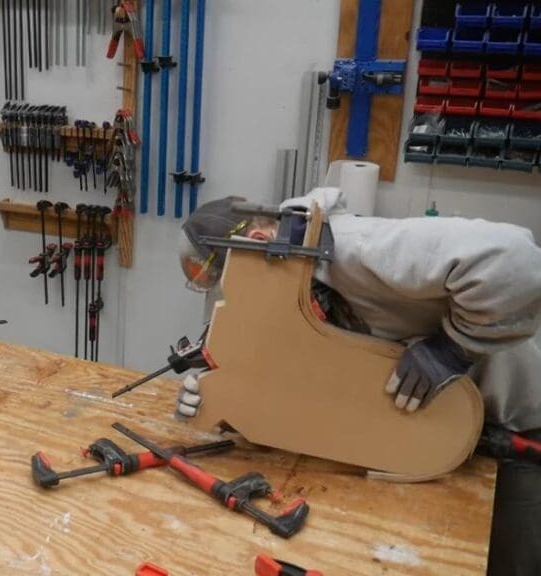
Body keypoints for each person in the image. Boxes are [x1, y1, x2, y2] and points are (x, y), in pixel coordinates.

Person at [176, 189, 541, 576]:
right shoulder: (295, 288)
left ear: (259, 243)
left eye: (223, 282)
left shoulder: (355, 249)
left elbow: (517, 262)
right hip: (443, 442)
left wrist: (453, 349)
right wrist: (221, 397)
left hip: (520, 435)